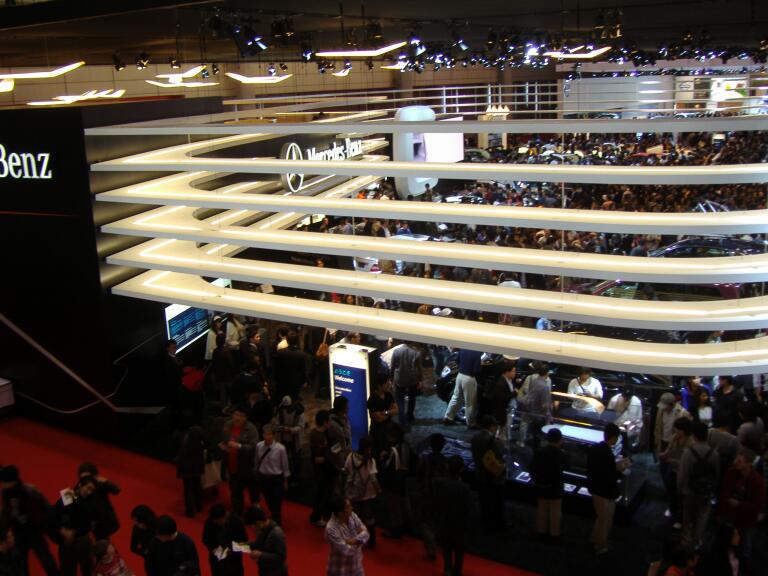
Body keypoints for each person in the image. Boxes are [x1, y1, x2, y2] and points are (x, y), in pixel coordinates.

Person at [0, 465, 60, 576]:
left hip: (34, 531)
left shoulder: (28, 492)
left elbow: (46, 509)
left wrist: (47, 528)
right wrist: (3, 533)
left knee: (47, 561)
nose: (1, 483)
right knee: (19, 564)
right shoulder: (5, 493)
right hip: (18, 533)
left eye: (3, 481)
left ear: (10, 481)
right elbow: (6, 513)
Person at [717, 449, 766, 571]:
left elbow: (757, 506)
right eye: (736, 459)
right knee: (725, 537)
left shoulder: (757, 481)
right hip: (729, 513)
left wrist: (739, 504)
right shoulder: (731, 472)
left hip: (745, 518)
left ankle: (744, 564)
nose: (735, 462)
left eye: (739, 461)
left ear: (748, 463)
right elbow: (724, 491)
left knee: (745, 540)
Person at [586, 423, 630, 554]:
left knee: (601, 517)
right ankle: (600, 545)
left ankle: (595, 539)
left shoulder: (595, 448)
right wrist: (621, 468)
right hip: (604, 490)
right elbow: (610, 473)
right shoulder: (607, 454)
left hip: (595, 488)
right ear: (614, 437)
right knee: (604, 519)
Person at [678, 421, 720, 547]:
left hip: (689, 491)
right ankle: (697, 541)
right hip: (706, 491)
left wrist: (680, 489)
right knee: (702, 517)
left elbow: (682, 475)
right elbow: (717, 474)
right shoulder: (714, 453)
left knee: (687, 517)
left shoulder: (688, 452)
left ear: (694, 436)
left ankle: (686, 542)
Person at [432, 456, 471, 576]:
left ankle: (447, 569)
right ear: (461, 469)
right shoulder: (465, 488)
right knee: (459, 550)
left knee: (446, 547)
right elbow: (468, 508)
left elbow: (435, 502)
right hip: (460, 524)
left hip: (444, 521)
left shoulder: (438, 483)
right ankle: (457, 571)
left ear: (447, 467)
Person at [218, 406, 259, 517]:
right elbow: (224, 440)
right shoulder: (227, 425)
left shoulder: (251, 429)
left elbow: (253, 447)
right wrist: (224, 446)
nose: (237, 418)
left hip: (247, 467)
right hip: (232, 466)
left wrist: (239, 446)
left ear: (245, 418)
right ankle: (236, 515)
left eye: (240, 416)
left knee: (253, 491)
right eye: (236, 415)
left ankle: (255, 512)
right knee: (236, 492)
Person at [54, 476, 98, 576]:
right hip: (67, 539)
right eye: (88, 488)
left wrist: (75, 532)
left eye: (92, 490)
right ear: (80, 485)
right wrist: (62, 529)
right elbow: (56, 512)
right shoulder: (69, 494)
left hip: (82, 539)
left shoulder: (91, 500)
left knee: (88, 569)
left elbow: (89, 522)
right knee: (67, 570)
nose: (89, 492)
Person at [343, 437, 380, 549]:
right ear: (369, 447)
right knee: (369, 517)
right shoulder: (370, 460)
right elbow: (373, 478)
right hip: (367, 493)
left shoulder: (351, 456)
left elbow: (346, 470)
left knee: (354, 517)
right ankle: (371, 540)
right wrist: (378, 489)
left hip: (353, 492)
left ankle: (354, 540)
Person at [470, 416, 506, 530]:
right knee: (496, 501)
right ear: (492, 427)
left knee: (483, 500)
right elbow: (500, 454)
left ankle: (485, 520)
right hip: (493, 477)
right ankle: (498, 523)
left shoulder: (475, 437)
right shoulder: (492, 440)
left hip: (480, 473)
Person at [530, 428, 566, 539]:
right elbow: (564, 469)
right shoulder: (560, 454)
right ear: (560, 440)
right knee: (555, 512)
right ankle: (554, 534)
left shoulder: (539, 451)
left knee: (542, 509)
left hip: (541, 485)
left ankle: (541, 531)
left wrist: (537, 481)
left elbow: (532, 467)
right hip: (555, 488)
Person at [417, 433, 448, 557]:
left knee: (426, 521)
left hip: (427, 493)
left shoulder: (424, 459)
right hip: (441, 495)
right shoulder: (445, 461)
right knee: (439, 518)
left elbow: (419, 476)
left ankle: (431, 545)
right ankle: (438, 541)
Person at [253, 425, 291, 526]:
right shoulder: (259, 446)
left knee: (277, 501)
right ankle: (274, 516)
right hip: (264, 478)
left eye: (269, 434)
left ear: (274, 435)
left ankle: (276, 522)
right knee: (268, 499)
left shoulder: (280, 449)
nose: (267, 437)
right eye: (265, 434)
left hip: (276, 478)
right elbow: (256, 461)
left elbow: (285, 465)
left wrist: (286, 480)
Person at [377, 424, 411, 538]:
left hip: (393, 482)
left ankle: (396, 530)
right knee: (403, 504)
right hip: (403, 479)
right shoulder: (405, 445)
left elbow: (387, 466)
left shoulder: (394, 450)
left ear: (392, 436)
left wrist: (382, 458)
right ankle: (406, 525)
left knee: (394, 507)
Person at [659, 417, 693, 528]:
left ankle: (681, 518)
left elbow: (687, 462)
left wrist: (672, 460)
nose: (676, 431)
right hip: (673, 470)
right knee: (672, 490)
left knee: (682, 496)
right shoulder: (674, 437)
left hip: (684, 472)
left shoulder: (691, 442)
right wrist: (664, 454)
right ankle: (673, 510)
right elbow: (669, 449)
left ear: (684, 430)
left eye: (678, 429)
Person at [75, 463, 120, 541]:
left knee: (103, 542)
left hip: (104, 520)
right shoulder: (80, 486)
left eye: (88, 476)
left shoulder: (100, 485)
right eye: (83, 477)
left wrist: (106, 482)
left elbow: (116, 490)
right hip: (91, 522)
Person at [325, 498, 369, 576]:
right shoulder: (331, 528)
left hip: (356, 567)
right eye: (348, 507)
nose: (352, 508)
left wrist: (351, 541)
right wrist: (360, 540)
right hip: (339, 571)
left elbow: (366, 533)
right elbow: (347, 550)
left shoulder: (352, 516)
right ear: (340, 513)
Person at [201, 504, 247, 576]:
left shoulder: (237, 522)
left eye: (218, 521)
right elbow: (206, 539)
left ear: (224, 516)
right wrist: (213, 549)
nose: (216, 523)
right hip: (217, 561)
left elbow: (244, 541)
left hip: (233, 561)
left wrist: (231, 549)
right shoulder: (210, 522)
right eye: (214, 521)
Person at [443, 348, 483, 428]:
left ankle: (448, 417)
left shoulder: (463, 349)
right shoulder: (477, 353)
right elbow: (476, 370)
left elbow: (457, 361)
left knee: (455, 398)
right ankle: (471, 423)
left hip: (460, 375)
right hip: (469, 378)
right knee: (470, 403)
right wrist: (480, 364)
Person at [309, 411, 335, 527]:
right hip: (321, 471)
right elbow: (318, 458)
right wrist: (329, 456)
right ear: (325, 422)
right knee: (320, 494)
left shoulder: (324, 433)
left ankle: (324, 514)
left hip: (326, 470)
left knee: (326, 493)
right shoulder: (317, 436)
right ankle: (317, 516)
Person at [243, 507, 287, 576]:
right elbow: (258, 544)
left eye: (252, 526)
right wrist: (244, 544)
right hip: (265, 570)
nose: (252, 529)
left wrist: (260, 554)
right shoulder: (262, 529)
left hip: (276, 573)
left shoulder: (276, 534)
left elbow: (281, 557)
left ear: (259, 523)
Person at [518, 362, 552, 446]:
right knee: (538, 434)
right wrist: (548, 414)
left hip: (530, 408)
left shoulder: (534, 380)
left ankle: (523, 442)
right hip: (539, 413)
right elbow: (545, 403)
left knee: (529, 427)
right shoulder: (545, 385)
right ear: (547, 373)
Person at [389, 341, 423, 425]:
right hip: (412, 379)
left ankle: (402, 419)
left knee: (399, 399)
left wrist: (391, 379)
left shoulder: (396, 351)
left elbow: (392, 366)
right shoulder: (416, 352)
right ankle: (410, 416)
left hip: (399, 379)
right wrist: (420, 380)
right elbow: (419, 369)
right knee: (412, 398)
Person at [484, 359, 517, 442]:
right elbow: (502, 398)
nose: (515, 373)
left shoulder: (509, 380)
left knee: (505, 428)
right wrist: (514, 393)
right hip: (502, 410)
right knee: (501, 429)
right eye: (513, 371)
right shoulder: (501, 383)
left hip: (508, 409)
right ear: (507, 372)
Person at [176, 426, 206, 518]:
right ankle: (199, 507)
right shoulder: (199, 433)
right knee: (197, 486)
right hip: (196, 465)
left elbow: (177, 449)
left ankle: (190, 511)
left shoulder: (180, 434)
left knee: (188, 489)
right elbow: (207, 444)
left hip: (185, 466)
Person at [272, 331, 311, 401]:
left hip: (282, 381)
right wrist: (304, 381)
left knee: (282, 400)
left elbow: (276, 368)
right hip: (295, 382)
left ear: (287, 341)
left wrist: (275, 379)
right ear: (297, 341)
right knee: (294, 399)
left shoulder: (280, 353)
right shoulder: (302, 355)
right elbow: (303, 370)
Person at [274, 396, 304, 484]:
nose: (286, 409)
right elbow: (277, 423)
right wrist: (280, 428)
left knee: (296, 461)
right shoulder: (280, 410)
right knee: (284, 459)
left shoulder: (299, 412)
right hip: (283, 439)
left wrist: (290, 430)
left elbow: (301, 426)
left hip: (295, 440)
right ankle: (285, 477)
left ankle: (296, 479)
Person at [366, 373, 398, 455]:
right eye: (386, 383)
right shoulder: (372, 399)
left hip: (388, 430)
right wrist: (390, 412)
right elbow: (379, 419)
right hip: (377, 432)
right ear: (379, 386)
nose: (389, 385)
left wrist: (384, 412)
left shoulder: (388, 395)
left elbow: (396, 410)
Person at [328, 397, 352, 477]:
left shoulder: (344, 418)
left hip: (345, 450)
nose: (348, 408)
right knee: (340, 473)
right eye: (347, 406)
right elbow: (344, 435)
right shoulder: (333, 422)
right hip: (339, 453)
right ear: (342, 408)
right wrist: (345, 424)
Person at [128, 505, 155, 572]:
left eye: (137, 521)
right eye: (134, 521)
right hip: (150, 560)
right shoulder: (136, 528)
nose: (135, 523)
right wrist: (144, 552)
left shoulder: (157, 526)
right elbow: (133, 547)